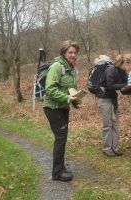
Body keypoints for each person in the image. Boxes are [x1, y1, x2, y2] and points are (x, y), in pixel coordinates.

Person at [43, 40, 80, 181]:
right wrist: (67, 97)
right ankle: (57, 172)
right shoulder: (57, 67)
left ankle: (61, 168)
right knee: (61, 137)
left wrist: (75, 101)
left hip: (63, 107)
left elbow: (69, 90)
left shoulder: (70, 68)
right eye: (70, 52)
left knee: (62, 137)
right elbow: (50, 89)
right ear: (64, 53)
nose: (73, 55)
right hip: (52, 107)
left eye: (75, 52)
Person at [95, 54, 131, 157]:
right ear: (126, 63)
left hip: (113, 99)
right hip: (104, 99)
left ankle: (115, 148)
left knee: (115, 124)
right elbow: (110, 85)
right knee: (107, 124)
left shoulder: (123, 73)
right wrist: (127, 85)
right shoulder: (111, 69)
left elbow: (123, 90)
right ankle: (107, 149)